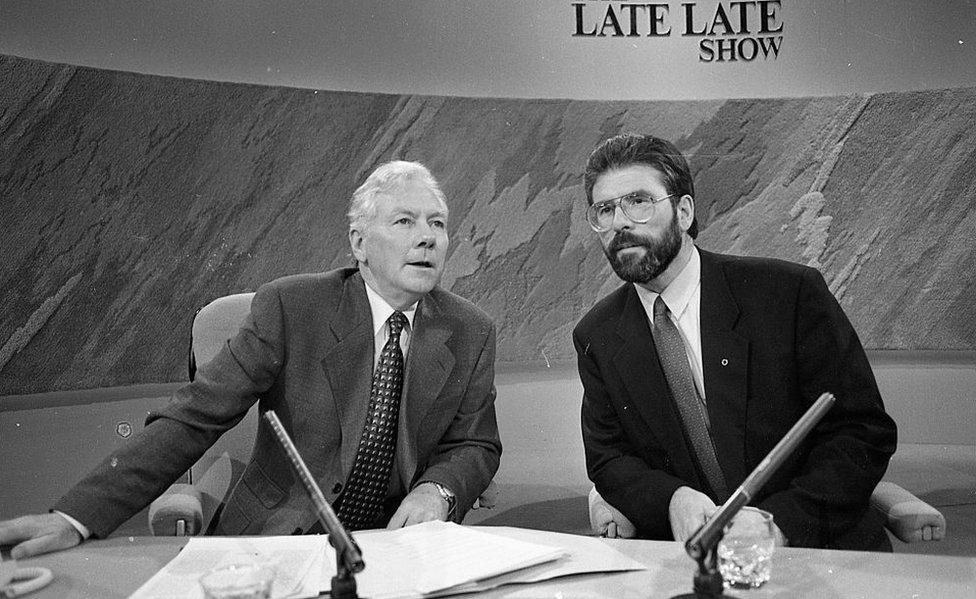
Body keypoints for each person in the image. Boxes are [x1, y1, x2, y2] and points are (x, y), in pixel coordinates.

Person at [0, 160, 501, 558]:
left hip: (394, 550)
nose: (428, 237)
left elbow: (475, 443)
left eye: (437, 223)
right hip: (278, 539)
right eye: (405, 221)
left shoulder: (469, 329)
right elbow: (195, 416)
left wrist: (439, 490)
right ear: (359, 244)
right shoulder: (292, 307)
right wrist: (76, 516)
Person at [575, 134, 897, 550]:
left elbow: (861, 432)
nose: (619, 222)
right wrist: (672, 500)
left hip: (815, 546)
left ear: (684, 211)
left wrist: (779, 523)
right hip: (691, 561)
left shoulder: (787, 293)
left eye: (638, 201)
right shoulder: (596, 334)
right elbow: (609, 459)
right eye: (605, 209)